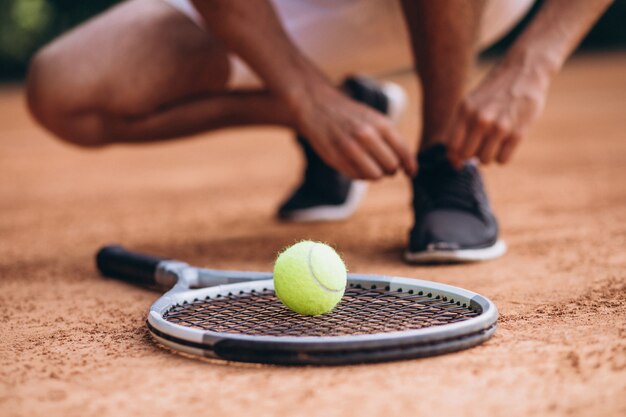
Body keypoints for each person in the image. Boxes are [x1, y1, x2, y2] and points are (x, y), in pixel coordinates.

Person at [25, 0, 613, 263]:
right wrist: (307, 97)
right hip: (292, 12)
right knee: (65, 88)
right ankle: (350, 107)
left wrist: (534, 61)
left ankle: (443, 161)